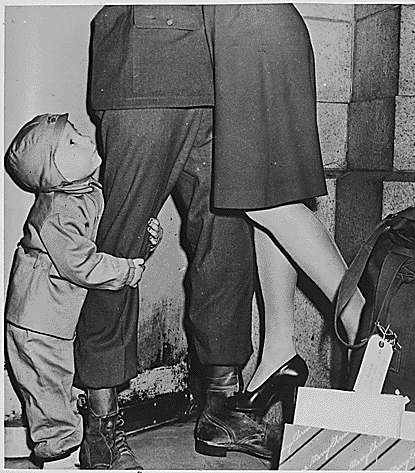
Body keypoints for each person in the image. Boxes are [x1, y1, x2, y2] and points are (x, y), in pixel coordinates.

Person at [74, 5, 274, 469]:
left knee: (228, 241)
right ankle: (100, 426)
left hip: (224, 76)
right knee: (116, 251)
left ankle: (222, 408)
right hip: (145, 66)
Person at [195, 4, 366, 455]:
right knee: (266, 197)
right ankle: (279, 352)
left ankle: (361, 315)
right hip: (247, 32)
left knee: (264, 197)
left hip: (249, 31)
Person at [4, 113, 162, 468]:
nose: (87, 142)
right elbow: (82, 264)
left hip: (53, 320)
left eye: (79, 134)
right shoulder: (57, 212)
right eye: (72, 143)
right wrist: (126, 271)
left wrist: (146, 242)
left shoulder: (88, 191)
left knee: (54, 391)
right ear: (53, 172)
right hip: (36, 324)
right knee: (50, 399)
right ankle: (57, 457)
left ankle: (67, 447)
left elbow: (105, 239)